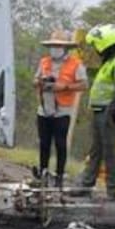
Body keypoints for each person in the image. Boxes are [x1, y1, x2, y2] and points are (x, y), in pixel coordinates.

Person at [77, 23, 115, 201]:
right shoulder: (107, 63)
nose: (96, 50)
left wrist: (111, 111)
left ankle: (112, 191)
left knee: (110, 152)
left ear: (105, 44)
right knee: (96, 150)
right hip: (100, 112)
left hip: (109, 113)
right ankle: (86, 184)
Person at [33, 30, 88, 188]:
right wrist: (40, 82)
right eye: (53, 46)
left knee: (60, 143)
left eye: (58, 46)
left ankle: (59, 176)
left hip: (63, 110)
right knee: (44, 143)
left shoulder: (75, 64)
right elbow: (35, 80)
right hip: (44, 109)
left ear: (65, 48)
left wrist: (64, 86)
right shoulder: (44, 62)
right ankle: (43, 173)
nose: (55, 49)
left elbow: (84, 84)